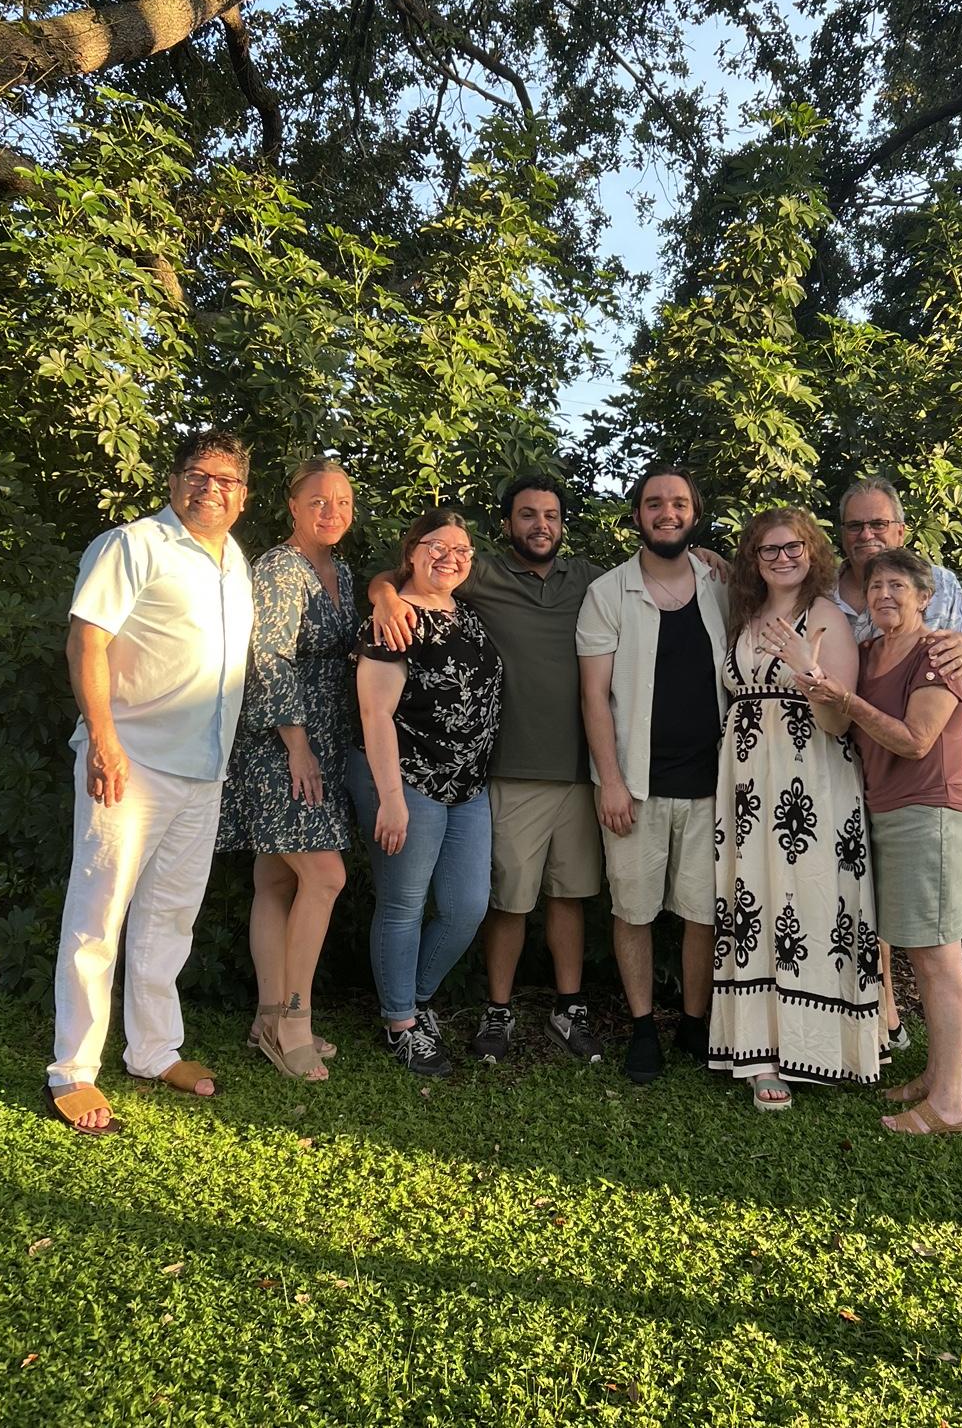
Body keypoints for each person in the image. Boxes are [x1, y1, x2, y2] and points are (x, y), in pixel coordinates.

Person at [43, 429, 254, 1134]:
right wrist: (102, 738)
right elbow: (87, 640)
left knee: (170, 919)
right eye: (198, 475)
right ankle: (73, 1069)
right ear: (174, 481)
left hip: (204, 769)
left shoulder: (235, 562)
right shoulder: (132, 545)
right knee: (97, 917)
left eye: (226, 480)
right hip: (130, 761)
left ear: (244, 495)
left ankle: (154, 1051)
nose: (211, 489)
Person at [367, 475, 607, 1064]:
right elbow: (405, 580)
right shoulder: (451, 591)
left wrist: (708, 560)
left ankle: (431, 1000)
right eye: (527, 514)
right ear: (507, 524)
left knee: (508, 903)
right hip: (453, 777)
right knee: (437, 904)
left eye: (551, 515)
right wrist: (384, 596)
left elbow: (646, 578)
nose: (540, 525)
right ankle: (420, 1017)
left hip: (504, 779)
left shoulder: (571, 582)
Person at [797, 547, 962, 1136]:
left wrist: (846, 702)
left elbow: (916, 740)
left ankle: (949, 1102)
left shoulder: (937, 653)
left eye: (898, 586)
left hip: (930, 812)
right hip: (887, 812)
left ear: (925, 597)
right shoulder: (872, 651)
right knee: (918, 952)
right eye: (876, 588)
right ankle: (936, 1074)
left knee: (937, 956)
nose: (884, 596)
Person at [709, 509, 882, 1111]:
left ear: (812, 552)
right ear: (753, 560)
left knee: (812, 901)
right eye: (769, 550)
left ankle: (821, 1045)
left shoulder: (827, 617)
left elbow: (837, 721)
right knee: (754, 898)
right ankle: (759, 1051)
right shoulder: (745, 616)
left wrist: (810, 670)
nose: (783, 559)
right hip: (747, 785)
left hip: (812, 783)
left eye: (794, 548)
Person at [577, 465, 729, 1083]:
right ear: (638, 514)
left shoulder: (720, 585)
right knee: (633, 911)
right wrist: (611, 780)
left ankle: (693, 1022)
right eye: (655, 503)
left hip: (713, 786)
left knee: (702, 913)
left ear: (695, 513)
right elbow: (593, 697)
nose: (668, 513)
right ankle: (643, 1028)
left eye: (679, 503)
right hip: (634, 788)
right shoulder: (608, 593)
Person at [834, 474, 962, 1054]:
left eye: (879, 523)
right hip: (853, 781)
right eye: (856, 525)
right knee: (876, 915)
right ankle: (887, 1027)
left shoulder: (938, 585)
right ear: (841, 533)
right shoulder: (819, 590)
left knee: (933, 943)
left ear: (901, 530)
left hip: (925, 790)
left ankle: (952, 1072)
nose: (868, 534)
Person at [348, 509, 504, 1077]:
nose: (450, 557)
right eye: (437, 546)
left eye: (461, 550)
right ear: (412, 551)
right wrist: (390, 797)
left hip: (467, 786)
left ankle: (414, 998)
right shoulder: (392, 621)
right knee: (404, 905)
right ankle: (401, 1024)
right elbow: (375, 713)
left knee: (467, 907)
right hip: (407, 781)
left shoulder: (468, 614)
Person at [218, 458, 358, 1082]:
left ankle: (267, 1017)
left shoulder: (340, 571)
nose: (332, 512)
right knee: (325, 877)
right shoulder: (280, 568)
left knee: (276, 880)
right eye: (318, 501)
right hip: (283, 743)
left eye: (342, 502)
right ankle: (294, 1024)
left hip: (325, 739)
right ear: (293, 506)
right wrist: (297, 745)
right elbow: (269, 656)